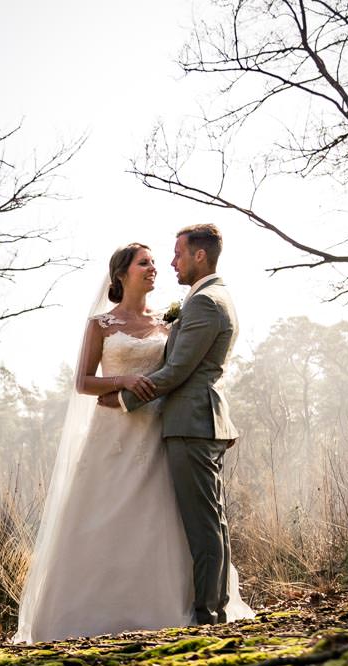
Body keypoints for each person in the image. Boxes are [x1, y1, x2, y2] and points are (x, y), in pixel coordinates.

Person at [14, 237, 250, 643]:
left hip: (160, 431)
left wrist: (128, 397)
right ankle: (89, 611)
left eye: (157, 261)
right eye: (145, 262)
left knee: (162, 522)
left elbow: (179, 370)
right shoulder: (101, 325)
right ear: (122, 274)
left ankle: (163, 607)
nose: (155, 267)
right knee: (101, 519)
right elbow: (83, 383)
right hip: (113, 433)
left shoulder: (169, 322)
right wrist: (123, 380)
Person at [102, 223, 244, 625]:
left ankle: (206, 614)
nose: (172, 262)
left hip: (191, 421)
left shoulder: (205, 303)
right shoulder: (212, 298)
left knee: (203, 525)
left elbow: (177, 369)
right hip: (198, 420)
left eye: (178, 254)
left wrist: (125, 398)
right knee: (213, 520)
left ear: (200, 255)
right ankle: (214, 608)